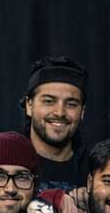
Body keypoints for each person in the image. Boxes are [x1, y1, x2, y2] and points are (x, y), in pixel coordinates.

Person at [22, 54, 89, 191]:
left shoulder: (96, 169)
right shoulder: (5, 160)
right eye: (49, 101)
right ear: (29, 105)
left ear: (82, 112)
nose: (59, 112)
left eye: (71, 104)